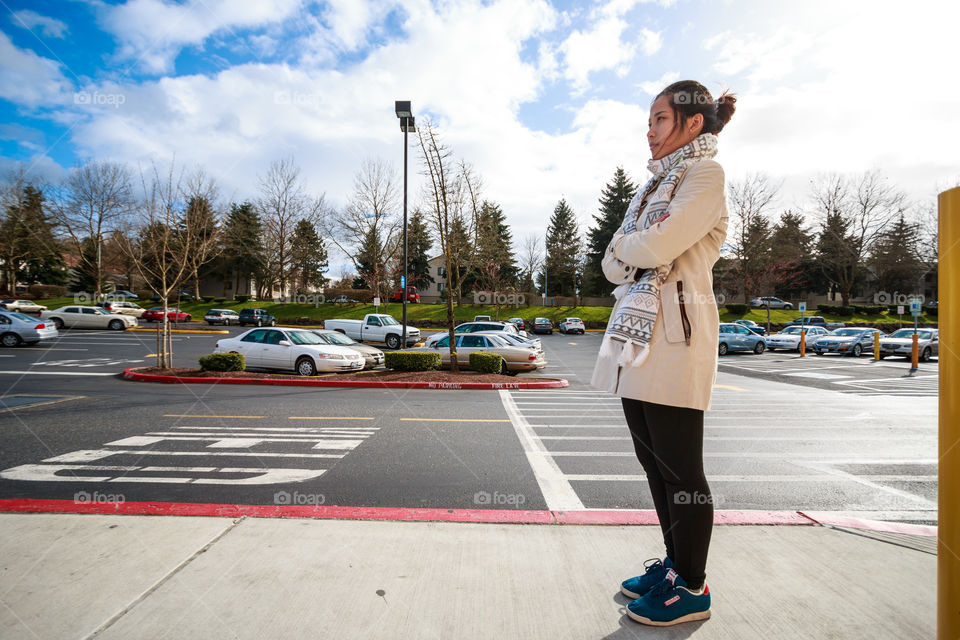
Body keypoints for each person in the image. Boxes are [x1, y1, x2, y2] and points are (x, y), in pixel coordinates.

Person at [590, 79, 736, 627]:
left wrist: (631, 247)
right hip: (637, 338)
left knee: (682, 470)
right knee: (653, 463)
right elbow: (611, 262)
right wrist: (634, 247)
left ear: (691, 123)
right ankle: (675, 567)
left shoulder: (704, 175)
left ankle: (692, 586)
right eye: (647, 121)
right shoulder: (650, 190)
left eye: (658, 119)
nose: (648, 131)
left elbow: (646, 247)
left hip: (677, 336)